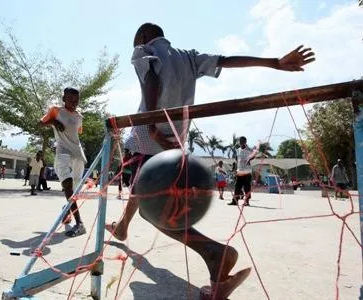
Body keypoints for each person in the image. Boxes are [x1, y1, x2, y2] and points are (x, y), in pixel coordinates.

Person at [105, 23, 315, 299]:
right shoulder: (188, 57)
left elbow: (151, 81)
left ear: (143, 37)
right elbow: (225, 61)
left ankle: (215, 253)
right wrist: (274, 62)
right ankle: (122, 227)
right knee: (143, 192)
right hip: (174, 145)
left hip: (149, 140)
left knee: (152, 210)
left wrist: (154, 123)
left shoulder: (143, 50)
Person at [39, 87, 87, 237]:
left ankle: (68, 210)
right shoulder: (56, 111)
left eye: (76, 100)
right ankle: (80, 224)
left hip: (77, 153)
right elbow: (40, 123)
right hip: (63, 151)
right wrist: (53, 121)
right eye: (71, 99)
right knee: (67, 184)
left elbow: (77, 132)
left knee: (75, 188)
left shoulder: (79, 117)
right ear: (64, 98)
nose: (74, 102)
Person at [227, 136, 258, 206]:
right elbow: (236, 160)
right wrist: (235, 170)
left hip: (247, 172)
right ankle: (235, 201)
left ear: (245, 142)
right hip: (239, 172)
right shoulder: (238, 150)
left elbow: (253, 156)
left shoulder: (249, 150)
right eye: (240, 141)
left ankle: (247, 201)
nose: (241, 142)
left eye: (242, 141)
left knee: (247, 187)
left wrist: (250, 158)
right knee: (237, 187)